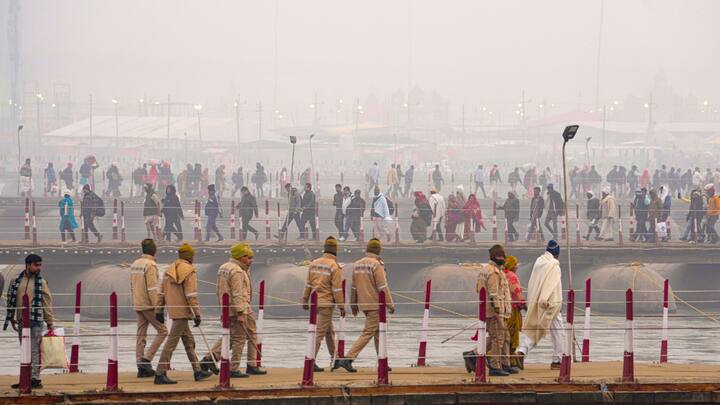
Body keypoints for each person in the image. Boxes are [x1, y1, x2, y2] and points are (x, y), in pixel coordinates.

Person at [200, 243, 267, 378]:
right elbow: (237, 293)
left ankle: (210, 358)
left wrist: (222, 310)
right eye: (248, 257)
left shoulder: (224, 267)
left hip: (228, 308)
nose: (251, 260)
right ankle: (235, 368)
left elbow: (219, 290)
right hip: (240, 309)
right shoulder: (237, 271)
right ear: (241, 257)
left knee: (236, 335)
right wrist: (240, 313)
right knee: (239, 338)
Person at [154, 244, 213, 384]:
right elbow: (191, 295)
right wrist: (197, 314)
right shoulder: (189, 271)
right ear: (190, 257)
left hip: (174, 310)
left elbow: (161, 292)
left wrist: (159, 310)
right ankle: (159, 373)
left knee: (189, 342)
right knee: (171, 344)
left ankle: (197, 371)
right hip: (183, 313)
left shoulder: (169, 270)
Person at [334, 238, 394, 373]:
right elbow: (383, 286)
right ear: (378, 250)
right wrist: (390, 304)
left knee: (379, 333)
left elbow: (354, 287)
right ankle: (348, 358)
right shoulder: (376, 265)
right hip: (375, 304)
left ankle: (383, 361)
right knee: (368, 333)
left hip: (364, 304)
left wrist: (354, 305)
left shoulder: (358, 264)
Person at [462, 244, 514, 376]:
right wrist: (497, 310)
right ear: (494, 257)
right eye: (500, 256)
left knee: (504, 337)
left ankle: (503, 362)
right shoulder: (492, 272)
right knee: (498, 338)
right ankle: (495, 366)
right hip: (495, 311)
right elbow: (493, 293)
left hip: (496, 309)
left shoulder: (490, 270)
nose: (502, 258)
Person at [5, 254, 54, 389]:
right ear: (28, 265)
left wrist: (50, 321)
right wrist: (12, 318)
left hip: (36, 320)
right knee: (24, 350)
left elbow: (47, 302)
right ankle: (25, 378)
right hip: (21, 320)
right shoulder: (16, 281)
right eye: (36, 265)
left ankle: (35, 379)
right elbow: (11, 300)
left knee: (33, 350)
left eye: (40, 265)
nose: (39, 268)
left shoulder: (41, 282)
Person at [516, 240, 565, 370]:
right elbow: (551, 285)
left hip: (537, 300)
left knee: (536, 329)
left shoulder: (539, 261)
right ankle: (557, 361)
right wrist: (549, 301)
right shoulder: (554, 265)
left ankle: (521, 351)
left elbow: (534, 281)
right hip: (551, 303)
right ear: (557, 253)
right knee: (558, 332)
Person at [302, 237, 345, 372]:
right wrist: (341, 306)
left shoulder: (314, 263)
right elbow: (337, 289)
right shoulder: (334, 266)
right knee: (319, 333)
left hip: (315, 303)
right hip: (326, 304)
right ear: (335, 251)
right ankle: (310, 360)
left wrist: (304, 300)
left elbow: (308, 284)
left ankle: (335, 358)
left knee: (329, 332)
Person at [130, 239, 168, 378]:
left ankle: (140, 366)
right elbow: (153, 289)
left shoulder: (135, 264)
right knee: (163, 331)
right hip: (148, 305)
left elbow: (132, 285)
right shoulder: (150, 265)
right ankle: (146, 360)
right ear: (154, 250)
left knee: (141, 335)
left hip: (138, 303)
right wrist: (158, 309)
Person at [503, 256, 526, 369]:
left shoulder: (502, 274)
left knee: (504, 334)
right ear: (512, 265)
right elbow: (517, 292)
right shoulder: (512, 276)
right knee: (513, 335)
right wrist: (524, 305)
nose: (517, 266)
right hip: (513, 310)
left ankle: (505, 359)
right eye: (515, 264)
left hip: (503, 309)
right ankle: (511, 360)